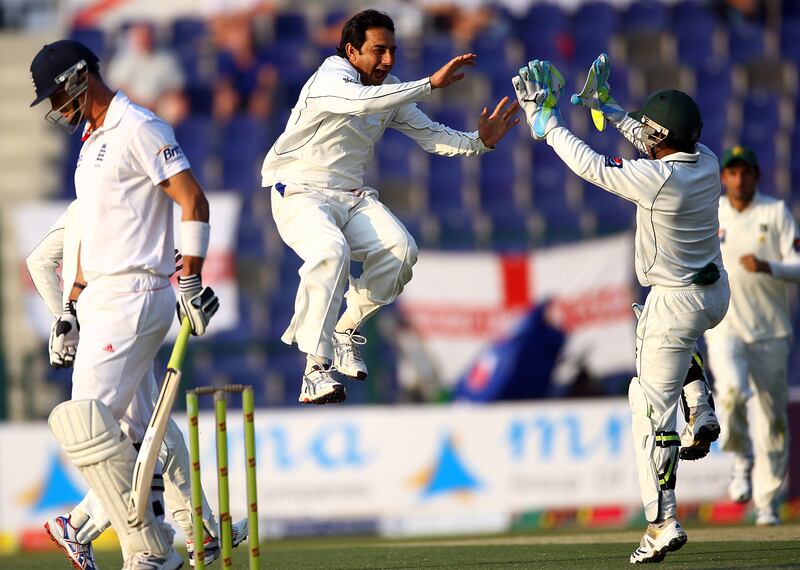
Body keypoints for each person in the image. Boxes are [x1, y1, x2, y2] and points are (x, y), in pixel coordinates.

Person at [513, 55, 730, 563]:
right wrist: (608, 107)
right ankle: (699, 410)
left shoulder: (656, 180)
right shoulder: (707, 161)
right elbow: (653, 139)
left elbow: (592, 165)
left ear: (658, 136)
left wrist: (548, 125)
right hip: (713, 295)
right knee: (654, 326)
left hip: (677, 304)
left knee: (647, 409)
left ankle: (662, 522)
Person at [261, 9, 519, 404]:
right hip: (299, 193)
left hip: (349, 196)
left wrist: (478, 141)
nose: (387, 61)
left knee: (401, 252)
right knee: (331, 252)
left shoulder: (390, 89)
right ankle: (315, 369)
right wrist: (430, 84)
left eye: (392, 51)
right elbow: (362, 103)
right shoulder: (330, 79)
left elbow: (431, 135)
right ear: (351, 50)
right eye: (378, 51)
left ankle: (345, 328)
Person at [29, 39, 219, 569]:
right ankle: (152, 543)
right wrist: (69, 306)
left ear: (77, 79)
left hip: (135, 294)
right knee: (136, 433)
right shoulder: (90, 144)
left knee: (84, 427)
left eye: (55, 95)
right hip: (102, 299)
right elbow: (89, 236)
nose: (53, 108)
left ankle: (143, 548)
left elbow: (193, 199)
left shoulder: (138, 125)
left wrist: (191, 278)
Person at [26, 202, 247, 568]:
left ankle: (202, 534)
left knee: (164, 439)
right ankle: (78, 526)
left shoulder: (90, 197)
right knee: (145, 442)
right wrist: (72, 318)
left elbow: (39, 262)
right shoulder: (109, 200)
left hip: (116, 327)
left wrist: (66, 318)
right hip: (116, 326)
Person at [704, 145, 798, 526]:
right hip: (725, 328)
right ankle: (740, 461)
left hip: (771, 333)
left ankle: (767, 502)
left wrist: (767, 266)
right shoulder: (713, 214)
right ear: (724, 177)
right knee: (729, 394)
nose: (739, 179)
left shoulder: (774, 213)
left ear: (756, 176)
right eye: (732, 173)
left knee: (772, 420)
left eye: (746, 172)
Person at [106, 22, 189, 125]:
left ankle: (166, 136)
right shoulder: (123, 59)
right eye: (140, 37)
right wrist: (141, 104)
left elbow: (176, 87)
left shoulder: (165, 58)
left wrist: (156, 102)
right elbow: (117, 88)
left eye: (147, 37)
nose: (144, 40)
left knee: (177, 106)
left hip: (159, 103)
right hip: (131, 104)